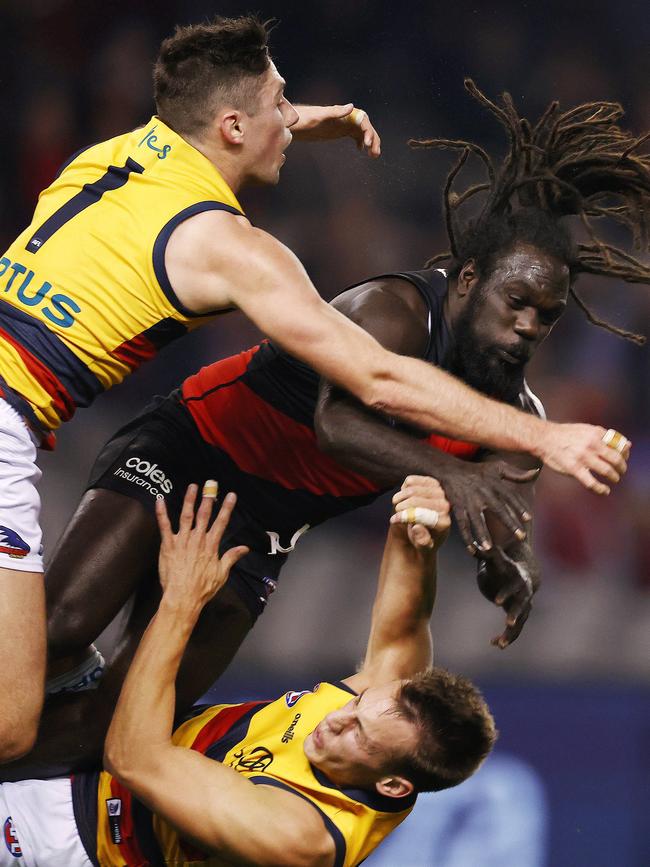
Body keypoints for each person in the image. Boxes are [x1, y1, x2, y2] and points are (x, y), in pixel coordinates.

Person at [0, 17, 621, 762]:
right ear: (467, 279)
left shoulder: (133, 152)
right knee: (50, 648)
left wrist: (508, 561)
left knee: (132, 718)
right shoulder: (321, 282)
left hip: (262, 525)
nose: (528, 326)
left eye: (545, 316)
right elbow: (362, 399)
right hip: (184, 444)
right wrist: (531, 447)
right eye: (278, 104)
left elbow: (208, 116)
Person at [0, 478, 497, 867]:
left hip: (72, 833)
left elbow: (132, 756)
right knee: (45, 630)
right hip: (101, 736)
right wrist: (419, 523)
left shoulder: (299, 836)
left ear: (392, 786)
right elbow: (400, 633)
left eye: (358, 734)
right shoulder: (387, 713)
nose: (337, 718)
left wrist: (180, 601)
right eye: (355, 705)